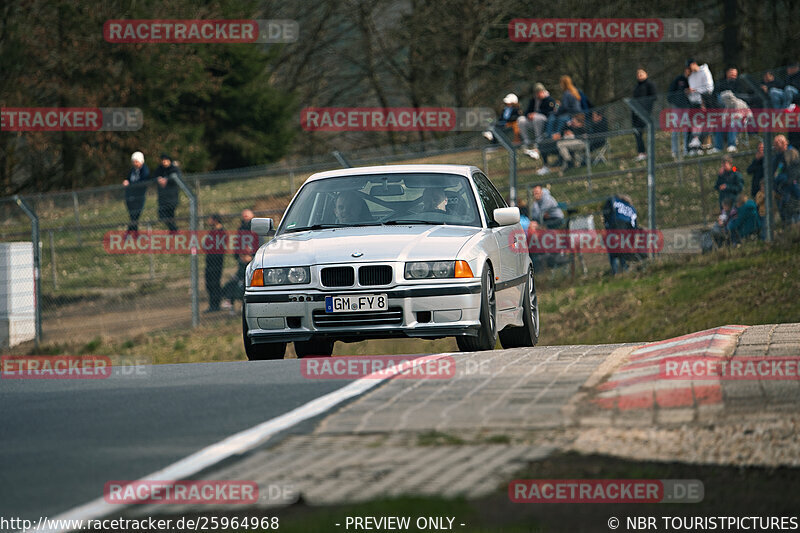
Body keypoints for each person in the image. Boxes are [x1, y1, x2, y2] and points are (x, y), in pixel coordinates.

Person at [222, 209, 256, 313]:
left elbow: (259, 244)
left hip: (253, 262)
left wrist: (252, 257)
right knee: (235, 282)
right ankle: (230, 301)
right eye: (244, 215)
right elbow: (237, 245)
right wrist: (240, 256)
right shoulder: (241, 229)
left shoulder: (256, 230)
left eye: (248, 215)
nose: (245, 217)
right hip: (242, 263)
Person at [602, 194, 639, 275]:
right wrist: (632, 243)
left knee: (612, 251)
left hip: (612, 229)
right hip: (625, 232)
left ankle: (615, 271)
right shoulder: (632, 209)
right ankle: (624, 269)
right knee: (622, 251)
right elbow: (634, 227)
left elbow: (606, 212)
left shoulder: (614, 201)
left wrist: (607, 226)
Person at [519, 83, 557, 159]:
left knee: (537, 117)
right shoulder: (533, 100)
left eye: (539, 92)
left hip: (543, 119)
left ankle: (538, 140)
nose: (538, 94)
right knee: (521, 120)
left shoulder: (549, 99)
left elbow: (549, 111)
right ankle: (526, 141)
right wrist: (528, 115)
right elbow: (527, 110)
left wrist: (536, 113)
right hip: (532, 120)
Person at [686, 59, 714, 152]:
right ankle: (696, 142)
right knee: (696, 122)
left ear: (694, 64)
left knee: (707, 123)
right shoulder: (691, 76)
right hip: (695, 102)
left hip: (706, 100)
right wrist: (690, 92)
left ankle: (706, 143)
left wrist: (700, 95)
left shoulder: (704, 71)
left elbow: (709, 87)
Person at [631, 67, 657, 161]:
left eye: (641, 73)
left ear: (646, 74)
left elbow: (653, 97)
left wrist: (645, 107)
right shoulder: (636, 87)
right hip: (636, 113)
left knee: (648, 132)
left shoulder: (650, 84)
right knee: (637, 132)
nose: (639, 75)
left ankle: (650, 152)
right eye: (638, 74)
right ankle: (641, 152)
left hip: (646, 113)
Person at [122, 151, 150, 232]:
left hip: (139, 196)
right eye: (133, 161)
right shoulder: (132, 170)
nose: (134, 163)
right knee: (133, 216)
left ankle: (129, 233)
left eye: (136, 161)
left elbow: (142, 182)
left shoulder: (144, 170)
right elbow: (128, 178)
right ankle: (134, 234)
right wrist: (126, 181)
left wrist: (130, 184)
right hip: (130, 195)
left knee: (135, 216)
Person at [667, 65, 691, 158]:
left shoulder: (692, 80)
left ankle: (686, 149)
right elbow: (671, 93)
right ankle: (674, 150)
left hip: (687, 107)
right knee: (675, 129)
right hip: (677, 107)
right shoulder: (679, 79)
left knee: (686, 129)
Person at [153, 153, 181, 232]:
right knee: (162, 215)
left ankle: (173, 231)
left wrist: (167, 180)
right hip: (162, 197)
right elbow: (154, 176)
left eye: (166, 160)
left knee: (170, 215)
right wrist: (158, 179)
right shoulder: (159, 169)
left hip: (172, 197)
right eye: (163, 160)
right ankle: (173, 229)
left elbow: (176, 177)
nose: (164, 162)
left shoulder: (173, 168)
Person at [204, 214, 225, 313]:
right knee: (209, 283)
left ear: (215, 220)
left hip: (217, 261)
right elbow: (206, 245)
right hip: (209, 261)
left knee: (215, 283)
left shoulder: (221, 232)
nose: (208, 221)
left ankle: (216, 304)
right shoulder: (212, 232)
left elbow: (218, 246)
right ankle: (212, 304)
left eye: (210, 219)